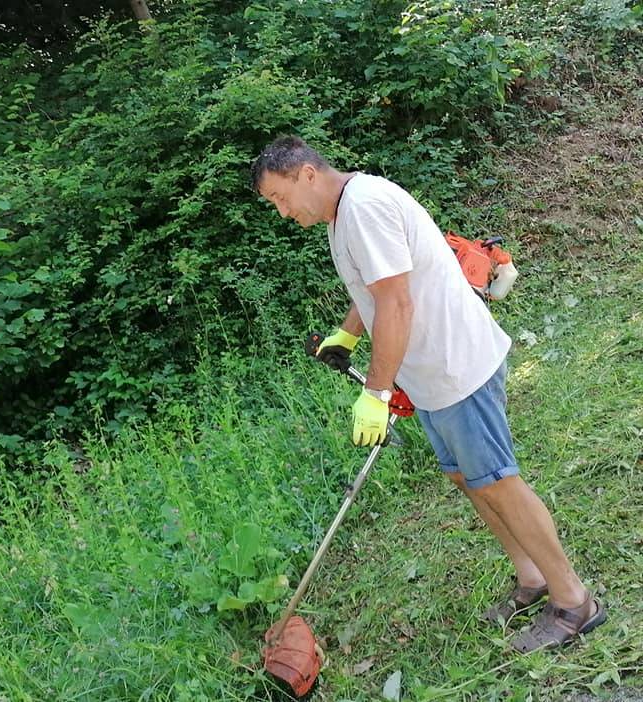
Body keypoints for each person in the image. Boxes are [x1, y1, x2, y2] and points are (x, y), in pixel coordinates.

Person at [249, 135, 605, 652]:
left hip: (458, 365)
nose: (282, 212)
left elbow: (396, 303)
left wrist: (375, 393)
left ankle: (574, 601)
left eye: (279, 197)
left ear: (305, 173)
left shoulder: (364, 207)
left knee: (498, 481)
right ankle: (531, 577)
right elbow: (377, 290)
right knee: (468, 478)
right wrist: (348, 333)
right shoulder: (343, 214)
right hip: (431, 376)